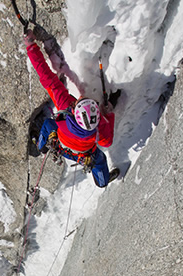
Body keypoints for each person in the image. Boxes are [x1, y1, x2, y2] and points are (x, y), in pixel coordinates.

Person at [24, 30, 119, 187]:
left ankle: (41, 146)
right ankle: (103, 181)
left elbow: (46, 76)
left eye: (80, 101)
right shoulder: (98, 125)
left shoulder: (65, 104)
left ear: (74, 111)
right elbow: (107, 141)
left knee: (48, 124)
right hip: (83, 154)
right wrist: (109, 114)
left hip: (62, 145)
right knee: (99, 160)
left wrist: (31, 47)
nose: (81, 98)